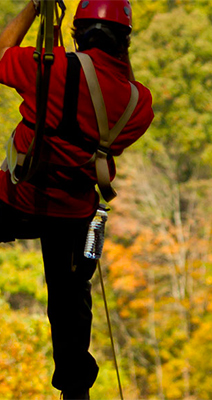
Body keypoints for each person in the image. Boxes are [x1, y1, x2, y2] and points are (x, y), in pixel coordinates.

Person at [0, 1, 153, 398]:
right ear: (125, 44)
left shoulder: (47, 68)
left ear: (76, 33)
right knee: (70, 299)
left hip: (15, 199)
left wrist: (35, 7)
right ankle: (75, 389)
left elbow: (0, 54)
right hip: (73, 214)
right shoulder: (139, 104)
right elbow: (119, 85)